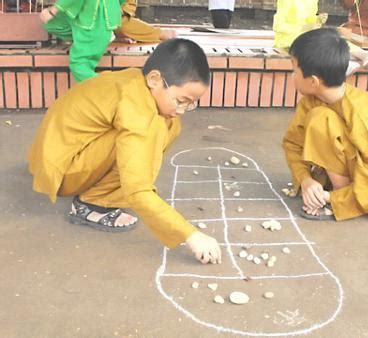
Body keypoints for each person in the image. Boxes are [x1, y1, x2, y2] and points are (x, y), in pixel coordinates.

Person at [28, 39, 222, 264]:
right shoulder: (137, 108)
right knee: (149, 133)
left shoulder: (136, 81)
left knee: (166, 123)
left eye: (191, 104)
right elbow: (137, 187)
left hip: (57, 155)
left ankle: (101, 193)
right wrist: (190, 235)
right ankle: (91, 204)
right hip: (61, 171)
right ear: (154, 79)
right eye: (181, 101)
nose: (184, 110)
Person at [282, 28, 368, 221]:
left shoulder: (364, 113)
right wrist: (305, 181)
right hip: (347, 169)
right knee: (320, 117)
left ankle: (339, 200)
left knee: (321, 120)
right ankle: (328, 191)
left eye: (294, 70)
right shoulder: (311, 100)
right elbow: (292, 143)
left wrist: (332, 197)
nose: (291, 76)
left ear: (313, 81)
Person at [272, 0, 368, 75]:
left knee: (333, 36)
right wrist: (305, 28)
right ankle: (343, 65)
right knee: (325, 39)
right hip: (287, 40)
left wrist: (318, 19)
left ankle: (366, 55)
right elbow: (279, 26)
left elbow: (310, 22)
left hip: (306, 36)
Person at [40, 0, 123, 83]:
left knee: (79, 64)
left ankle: (110, 89)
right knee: (52, 22)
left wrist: (53, 10)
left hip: (95, 18)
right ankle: (90, 40)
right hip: (86, 12)